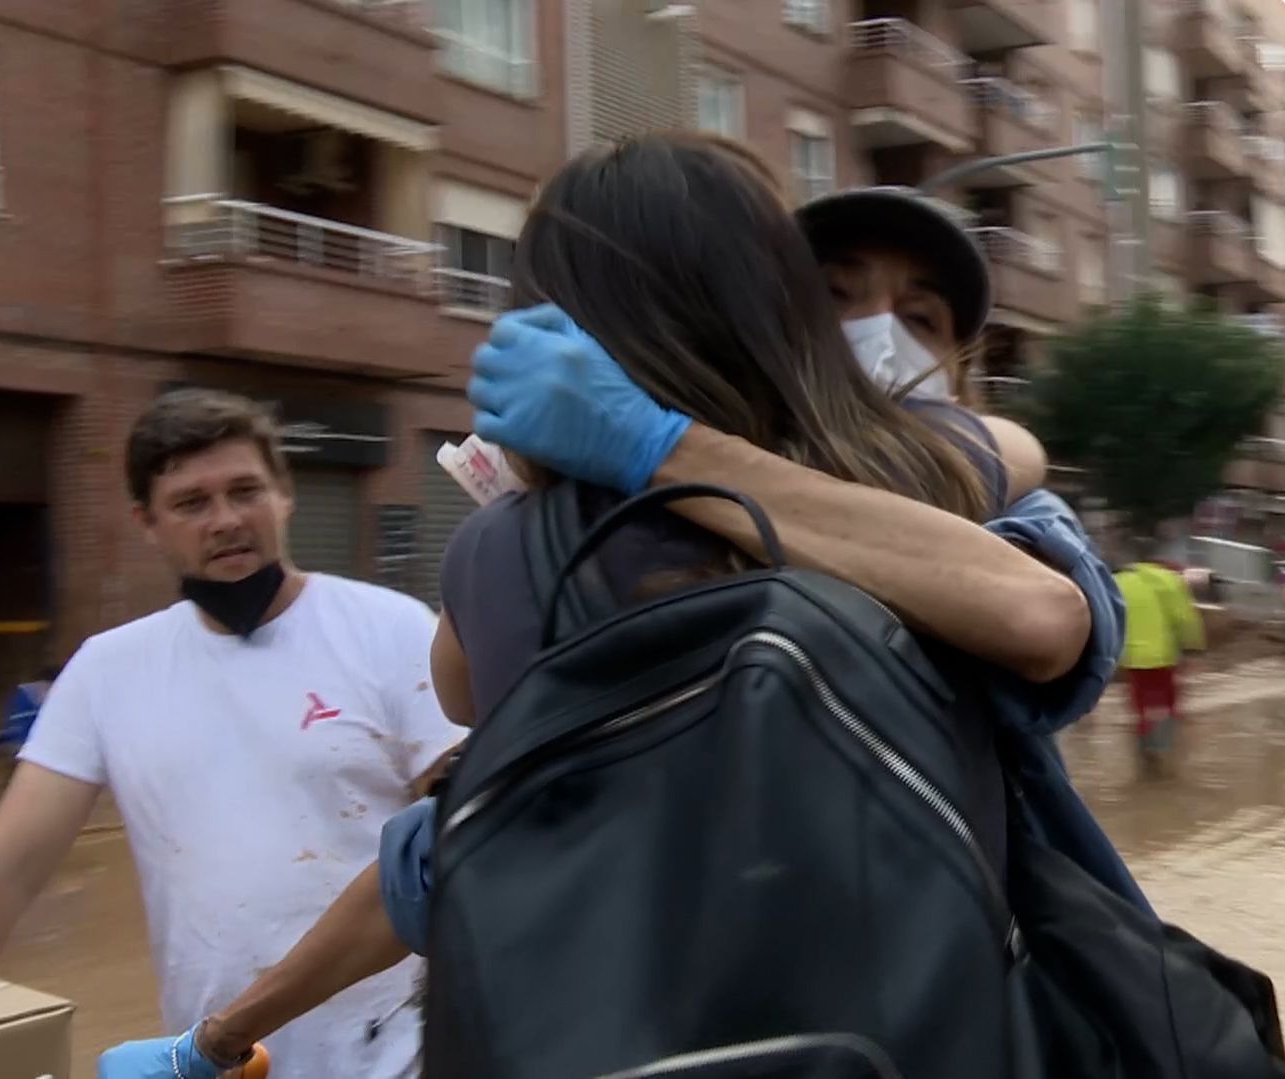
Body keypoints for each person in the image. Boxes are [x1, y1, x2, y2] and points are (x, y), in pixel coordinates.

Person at [101, 134, 1134, 1074]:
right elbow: (1048, 608)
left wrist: (214, 1041)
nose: (881, 340)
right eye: (839, 296)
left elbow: (449, 804)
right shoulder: (921, 482)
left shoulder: (498, 557)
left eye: (917, 317)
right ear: (776, 312)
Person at [0, 390, 467, 1079]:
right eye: (192, 502)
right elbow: (8, 863)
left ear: (285, 495)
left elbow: (464, 839)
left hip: (402, 1053)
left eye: (245, 490)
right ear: (146, 522)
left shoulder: (390, 630)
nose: (226, 519)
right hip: (218, 1062)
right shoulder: (109, 670)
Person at [1115, 547, 1204, 766]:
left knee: (1142, 705)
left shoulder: (1117, 581)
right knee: (1166, 704)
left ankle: (1146, 752)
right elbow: (1186, 619)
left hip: (1130, 657)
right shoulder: (1170, 580)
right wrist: (1194, 649)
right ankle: (1163, 756)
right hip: (1162, 657)